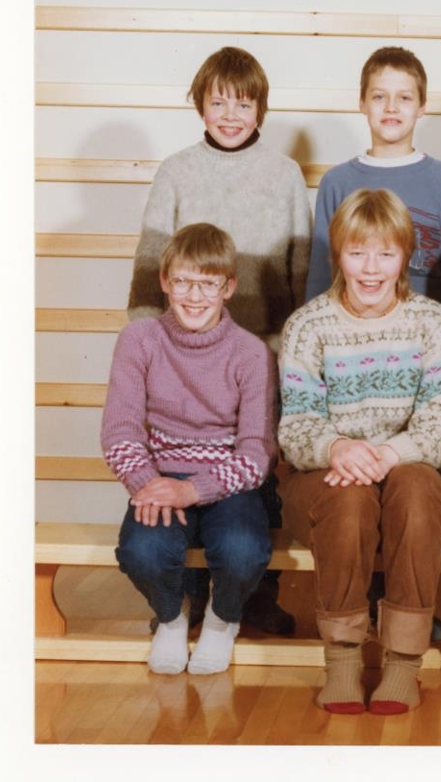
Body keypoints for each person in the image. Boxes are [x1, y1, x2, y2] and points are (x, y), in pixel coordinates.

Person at [126, 45, 309, 636]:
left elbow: (300, 269)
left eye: (244, 103)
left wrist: (296, 355)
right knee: (185, 461)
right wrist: (146, 349)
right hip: (182, 353)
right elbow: (150, 264)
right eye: (219, 102)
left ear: (262, 109)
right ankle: (188, 596)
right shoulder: (177, 171)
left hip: (263, 350)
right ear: (200, 106)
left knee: (260, 475)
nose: (231, 115)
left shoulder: (283, 174)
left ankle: (254, 595)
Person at [278, 188, 441, 715]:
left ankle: (403, 664)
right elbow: (296, 426)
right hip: (325, 478)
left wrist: (383, 454)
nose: (371, 268)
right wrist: (338, 447)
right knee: (350, 500)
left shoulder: (433, 322)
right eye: (357, 252)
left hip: (404, 468)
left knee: (418, 488)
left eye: (385, 253)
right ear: (338, 254)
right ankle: (342, 662)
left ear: (405, 255)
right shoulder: (308, 326)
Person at [104, 223, 276, 676]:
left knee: (242, 549)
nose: (194, 297)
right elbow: (120, 431)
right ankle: (171, 616)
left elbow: (257, 453)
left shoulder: (251, 353)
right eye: (182, 282)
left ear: (229, 288)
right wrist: (149, 485)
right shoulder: (139, 340)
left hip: (229, 481)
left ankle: (221, 619)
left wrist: (193, 490)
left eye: (208, 284)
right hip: (160, 478)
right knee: (140, 551)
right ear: (165, 282)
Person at [306, 46, 441, 312]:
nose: (391, 107)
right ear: (362, 103)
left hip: (431, 328)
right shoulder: (336, 182)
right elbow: (320, 275)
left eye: (404, 98)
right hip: (354, 327)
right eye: (379, 97)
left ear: (422, 106)